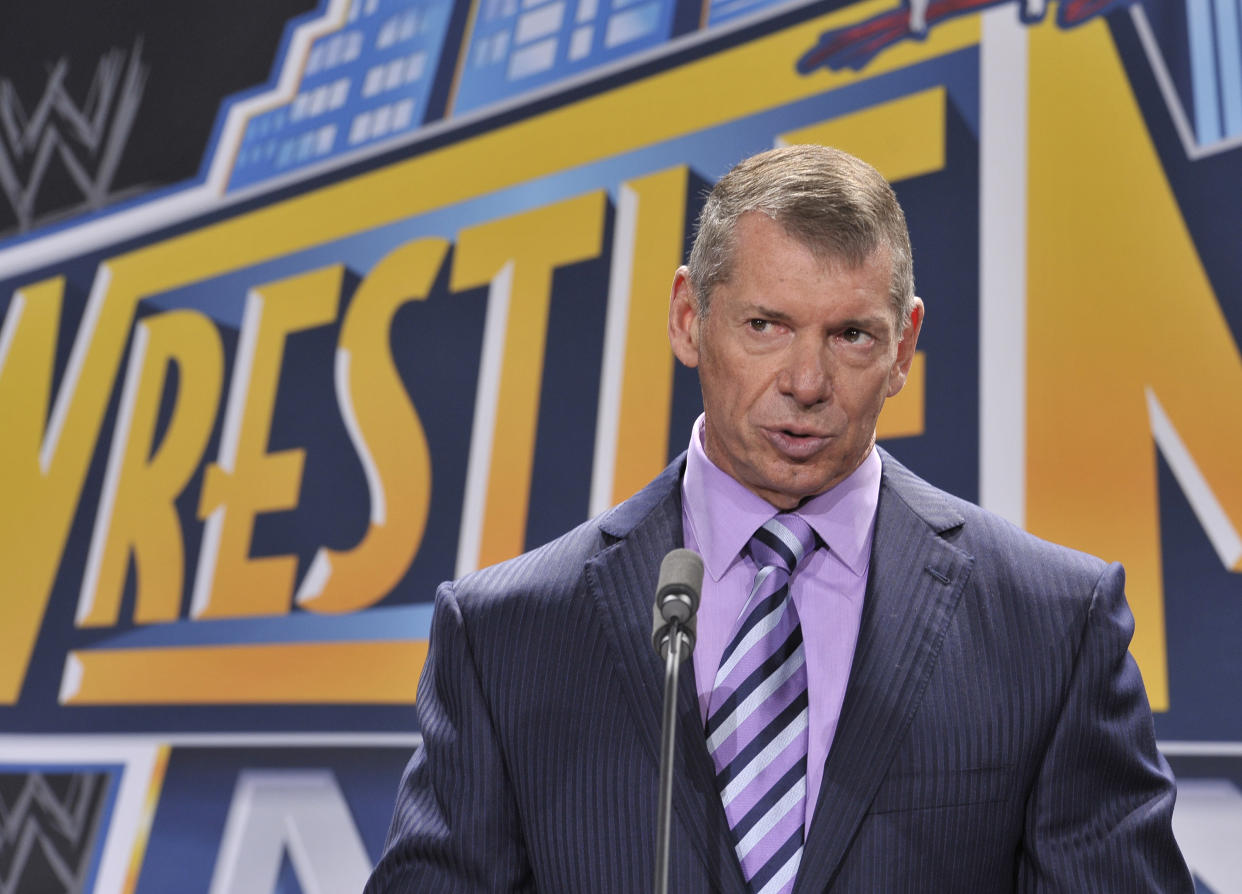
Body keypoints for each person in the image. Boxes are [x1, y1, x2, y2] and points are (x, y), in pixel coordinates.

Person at [365, 145, 1192, 892]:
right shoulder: (506, 633)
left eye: (852, 336)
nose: (805, 380)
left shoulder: (1050, 625)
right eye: (766, 325)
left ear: (904, 347)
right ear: (690, 319)